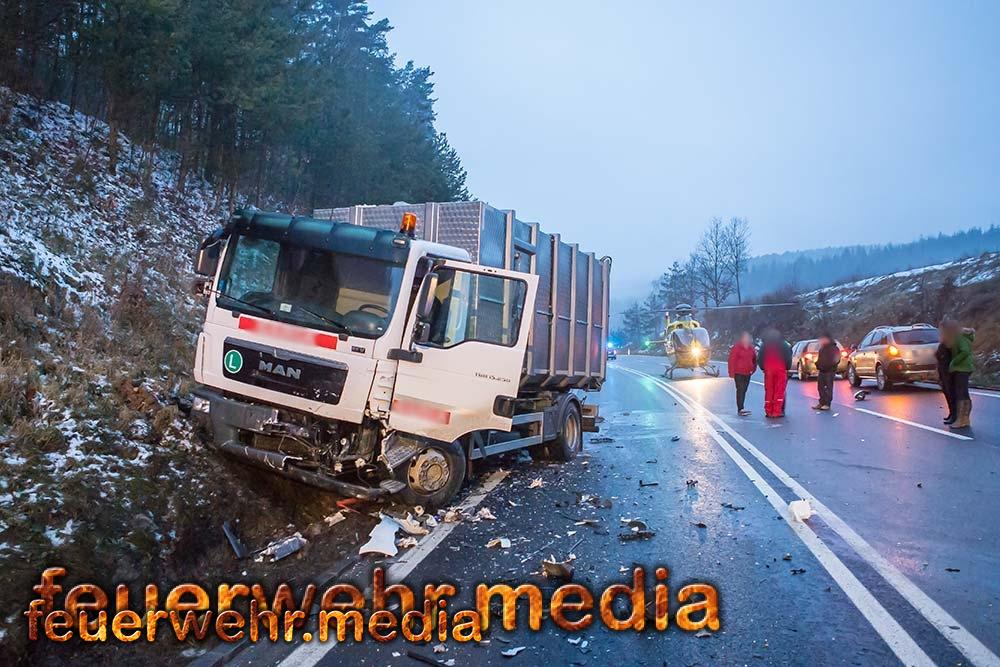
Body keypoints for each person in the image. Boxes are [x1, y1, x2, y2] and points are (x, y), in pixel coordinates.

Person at [942, 319, 974, 430]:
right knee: (963, 394)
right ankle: (964, 419)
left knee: (961, 394)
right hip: (963, 367)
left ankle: (962, 420)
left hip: (962, 368)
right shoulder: (958, 336)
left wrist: (953, 362)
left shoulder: (959, 337)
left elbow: (965, 351)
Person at [758, 328, 792, 418]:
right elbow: (788, 357)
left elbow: (760, 357)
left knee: (769, 390)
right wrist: (787, 367)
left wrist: (762, 367)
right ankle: (776, 411)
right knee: (779, 390)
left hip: (768, 369)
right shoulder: (784, 344)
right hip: (780, 369)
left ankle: (768, 411)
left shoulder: (764, 345)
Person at [728, 331, 757, 416]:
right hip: (738, 372)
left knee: (744, 390)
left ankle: (741, 408)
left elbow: (754, 359)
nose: (747, 339)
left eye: (748, 338)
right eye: (745, 337)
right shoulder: (737, 347)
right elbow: (732, 360)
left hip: (747, 372)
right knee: (740, 390)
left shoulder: (751, 348)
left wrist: (753, 369)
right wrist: (731, 372)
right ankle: (740, 408)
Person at [812, 334, 839, 411]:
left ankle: (827, 403)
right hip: (822, 370)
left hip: (829, 371)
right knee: (820, 387)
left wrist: (828, 366)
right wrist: (817, 364)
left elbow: (836, 360)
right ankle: (821, 402)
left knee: (828, 387)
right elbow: (820, 359)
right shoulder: (822, 349)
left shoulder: (834, 348)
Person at [936, 327, 955, 424]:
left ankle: (954, 414)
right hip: (942, 371)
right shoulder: (943, 344)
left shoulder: (949, 344)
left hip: (948, 372)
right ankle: (951, 413)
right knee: (946, 393)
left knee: (951, 394)